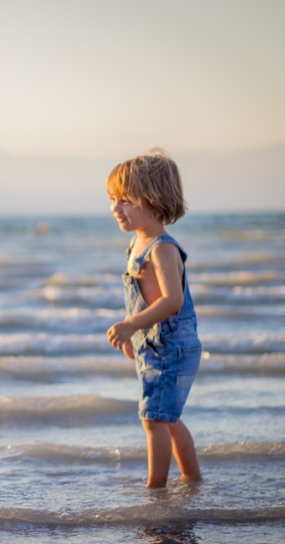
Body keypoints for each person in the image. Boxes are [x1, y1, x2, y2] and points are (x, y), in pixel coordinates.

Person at [105, 149, 202, 489]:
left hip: (171, 345)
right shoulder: (136, 244)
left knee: (154, 419)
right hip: (154, 344)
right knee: (167, 418)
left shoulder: (161, 248)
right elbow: (141, 301)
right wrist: (134, 334)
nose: (116, 208)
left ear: (155, 202)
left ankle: (156, 489)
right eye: (113, 199)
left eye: (126, 200)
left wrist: (132, 325)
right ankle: (191, 479)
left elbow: (172, 301)